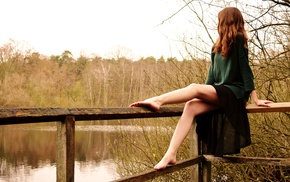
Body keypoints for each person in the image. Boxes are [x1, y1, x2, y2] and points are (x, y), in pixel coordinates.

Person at [129, 7, 272, 170]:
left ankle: (157, 100)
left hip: (235, 93)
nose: (217, 24)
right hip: (219, 91)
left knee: (193, 88)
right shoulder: (216, 46)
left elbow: (246, 70)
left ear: (226, 21)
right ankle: (171, 154)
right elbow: (211, 77)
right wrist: (202, 94)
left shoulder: (239, 39)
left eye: (219, 21)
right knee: (191, 105)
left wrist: (255, 98)